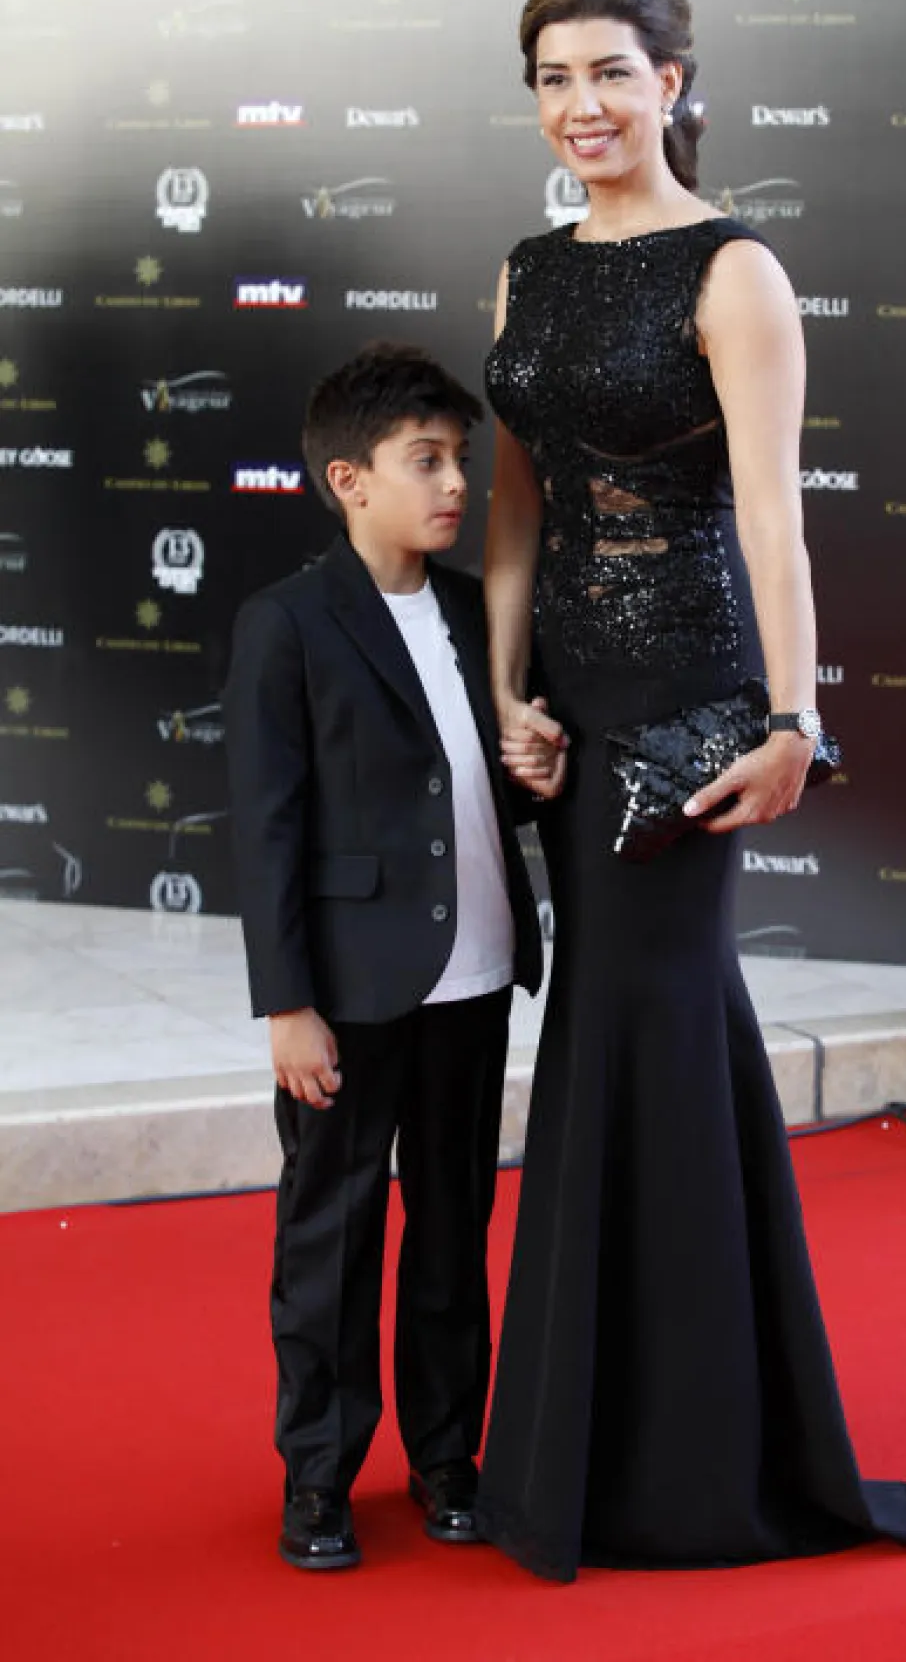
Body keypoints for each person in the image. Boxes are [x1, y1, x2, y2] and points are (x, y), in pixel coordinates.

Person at [477, 0, 906, 1582]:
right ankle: (605, 1439)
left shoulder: (734, 270)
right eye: (555, 77)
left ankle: (679, 1466)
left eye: (612, 72)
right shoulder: (526, 275)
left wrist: (794, 721)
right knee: (618, 1023)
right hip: (571, 697)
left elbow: (773, 519)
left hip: (690, 701)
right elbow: (520, 510)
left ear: (673, 83)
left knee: (651, 1022)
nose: (583, 105)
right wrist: (506, 692)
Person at [223, 342, 562, 1571]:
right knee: (332, 1237)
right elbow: (267, 829)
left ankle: (448, 1459)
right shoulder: (287, 624)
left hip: (475, 977)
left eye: (460, 459)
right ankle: (318, 1478)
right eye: (426, 460)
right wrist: (287, 1004)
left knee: (454, 1229)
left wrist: (539, 769)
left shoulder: (479, 613)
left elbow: (482, 782)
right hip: (349, 993)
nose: (456, 483)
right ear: (349, 480)